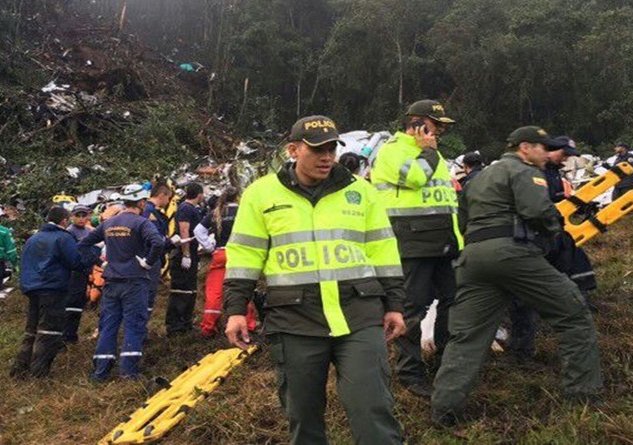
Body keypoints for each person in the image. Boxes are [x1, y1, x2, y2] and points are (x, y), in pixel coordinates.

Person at [224, 115, 407, 444]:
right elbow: (245, 256)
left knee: (373, 410)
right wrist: (236, 310)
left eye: (332, 149)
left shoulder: (360, 192)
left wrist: (394, 305)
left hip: (359, 314)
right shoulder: (261, 195)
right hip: (295, 319)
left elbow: (383, 251)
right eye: (317, 149)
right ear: (293, 149)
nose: (327, 157)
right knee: (303, 418)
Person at [432, 126, 603, 426]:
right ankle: (583, 397)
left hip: (473, 257)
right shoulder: (525, 171)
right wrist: (554, 235)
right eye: (542, 147)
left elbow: (462, 217)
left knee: (468, 338)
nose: (547, 153)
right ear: (525, 147)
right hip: (513, 254)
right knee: (574, 313)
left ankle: (444, 411)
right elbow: (537, 211)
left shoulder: (478, 177)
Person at [370, 99, 463, 398]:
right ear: (419, 124)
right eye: (437, 126)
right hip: (413, 244)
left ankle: (444, 360)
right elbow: (414, 178)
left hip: (444, 244)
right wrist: (429, 151)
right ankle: (410, 371)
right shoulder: (392, 151)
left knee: (453, 302)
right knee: (412, 310)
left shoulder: (433, 155)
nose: (440, 134)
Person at [507, 136, 599, 361]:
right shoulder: (530, 172)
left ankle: (575, 319)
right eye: (563, 153)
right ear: (547, 150)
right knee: (524, 296)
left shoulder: (554, 172)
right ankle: (521, 351)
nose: (566, 158)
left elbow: (557, 204)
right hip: (531, 238)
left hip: (554, 236)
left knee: (576, 270)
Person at [78, 184, 164, 381]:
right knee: (134, 325)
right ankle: (129, 372)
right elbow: (157, 243)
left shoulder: (109, 223)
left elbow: (83, 244)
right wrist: (148, 262)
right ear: (142, 202)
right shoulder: (141, 223)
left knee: (109, 325)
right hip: (134, 281)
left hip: (111, 281)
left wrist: (101, 263)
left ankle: (101, 372)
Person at [11, 207, 97, 378]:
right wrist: (94, 252)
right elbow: (76, 262)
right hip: (53, 289)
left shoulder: (33, 238)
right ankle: (39, 374)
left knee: (31, 330)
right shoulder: (63, 238)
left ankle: (19, 369)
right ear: (65, 221)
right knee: (49, 332)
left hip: (32, 288)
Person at [194, 186, 256, 338]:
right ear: (237, 197)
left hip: (220, 253)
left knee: (214, 291)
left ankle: (208, 327)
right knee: (241, 288)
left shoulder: (216, 212)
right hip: (239, 253)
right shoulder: (243, 211)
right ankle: (248, 325)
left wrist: (209, 246)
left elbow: (198, 231)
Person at [164, 182, 204, 335]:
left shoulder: (192, 209)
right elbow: (184, 231)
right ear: (199, 194)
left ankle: (185, 323)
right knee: (181, 290)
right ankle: (175, 326)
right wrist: (186, 254)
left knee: (190, 291)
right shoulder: (186, 208)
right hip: (182, 254)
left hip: (192, 254)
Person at [140, 182, 177, 316]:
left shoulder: (153, 211)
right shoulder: (149, 212)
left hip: (152, 257)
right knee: (147, 296)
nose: (168, 202)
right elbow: (153, 238)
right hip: (150, 258)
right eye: (168, 198)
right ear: (162, 195)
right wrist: (170, 242)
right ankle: (140, 332)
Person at [62, 204, 94, 344]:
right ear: (72, 217)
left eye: (84, 215)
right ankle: (67, 336)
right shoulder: (69, 232)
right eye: (78, 216)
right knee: (72, 304)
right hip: (74, 273)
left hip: (84, 272)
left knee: (79, 304)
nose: (81, 219)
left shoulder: (88, 231)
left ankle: (72, 334)